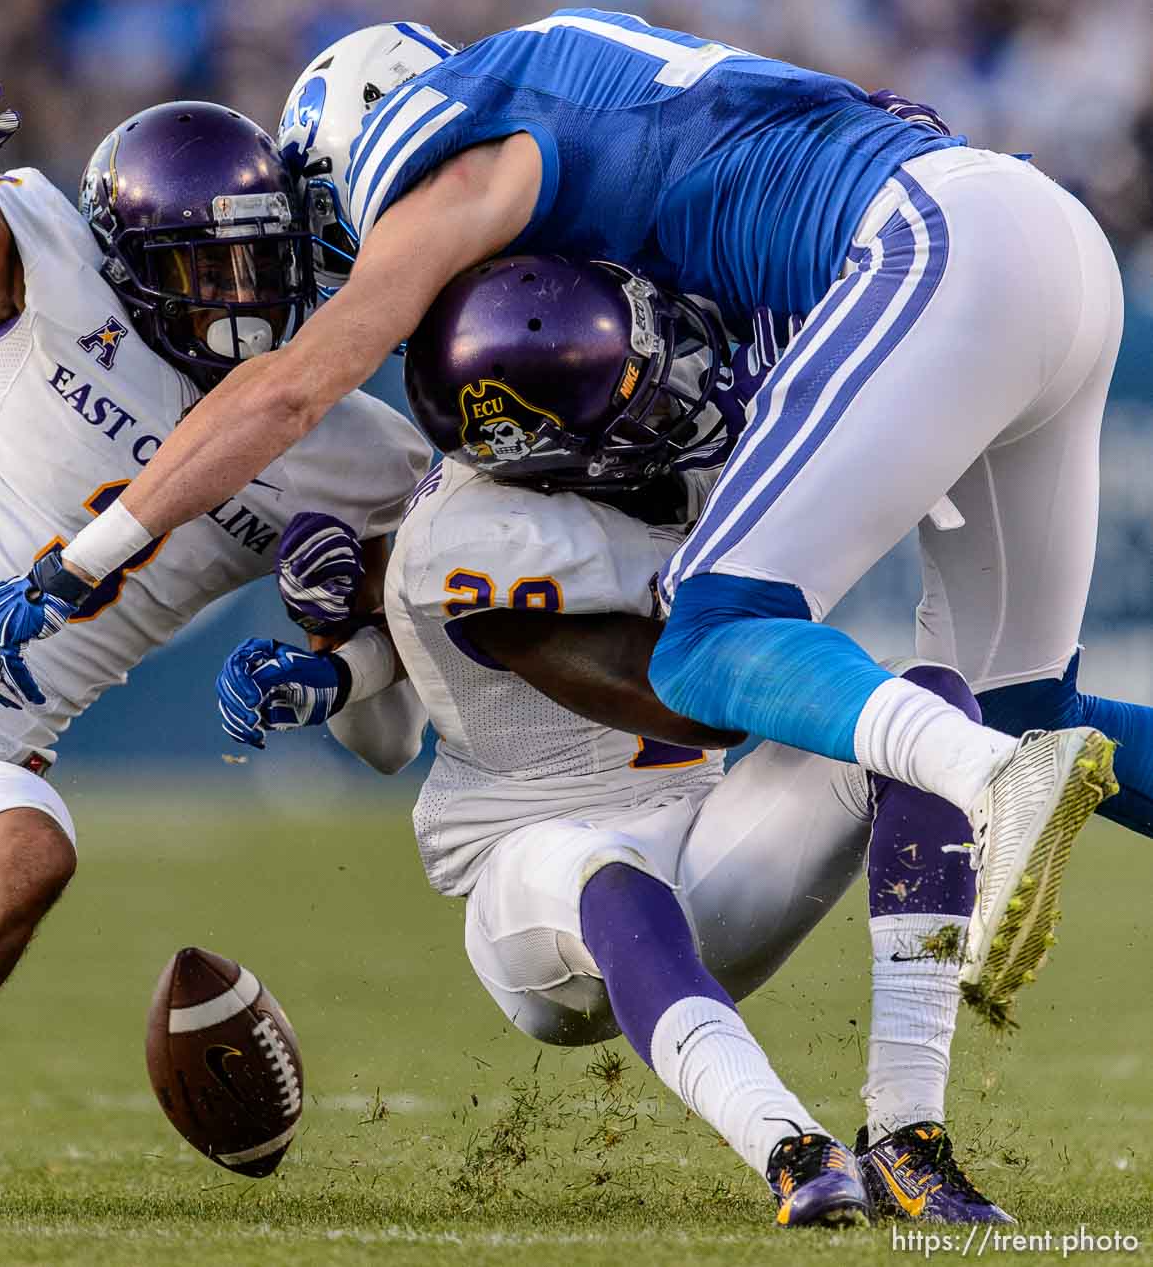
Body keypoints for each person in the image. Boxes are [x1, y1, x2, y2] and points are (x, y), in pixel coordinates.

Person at [0, 14, 1134, 1017]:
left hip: (934, 253)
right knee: (1039, 708)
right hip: (1035, 232)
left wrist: (91, 554)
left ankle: (980, 774)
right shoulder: (581, 72)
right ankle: (1004, 756)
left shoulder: (446, 137)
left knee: (717, 631)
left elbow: (299, 382)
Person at [216, 256, 1016, 1226]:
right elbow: (701, 702)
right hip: (536, 887)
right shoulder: (477, 539)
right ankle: (788, 1146)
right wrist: (339, 653)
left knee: (926, 711)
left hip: (716, 839)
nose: (674, 395)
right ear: (544, 454)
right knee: (607, 872)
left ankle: (908, 1138)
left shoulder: (628, 459)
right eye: (631, 398)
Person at [0, 64, 428, 1216]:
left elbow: (386, 735)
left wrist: (329, 649)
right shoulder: (54, 269)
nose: (238, 295)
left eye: (257, 261)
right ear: (122, 260)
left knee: (29, 848)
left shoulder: (359, 454)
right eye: (200, 268)